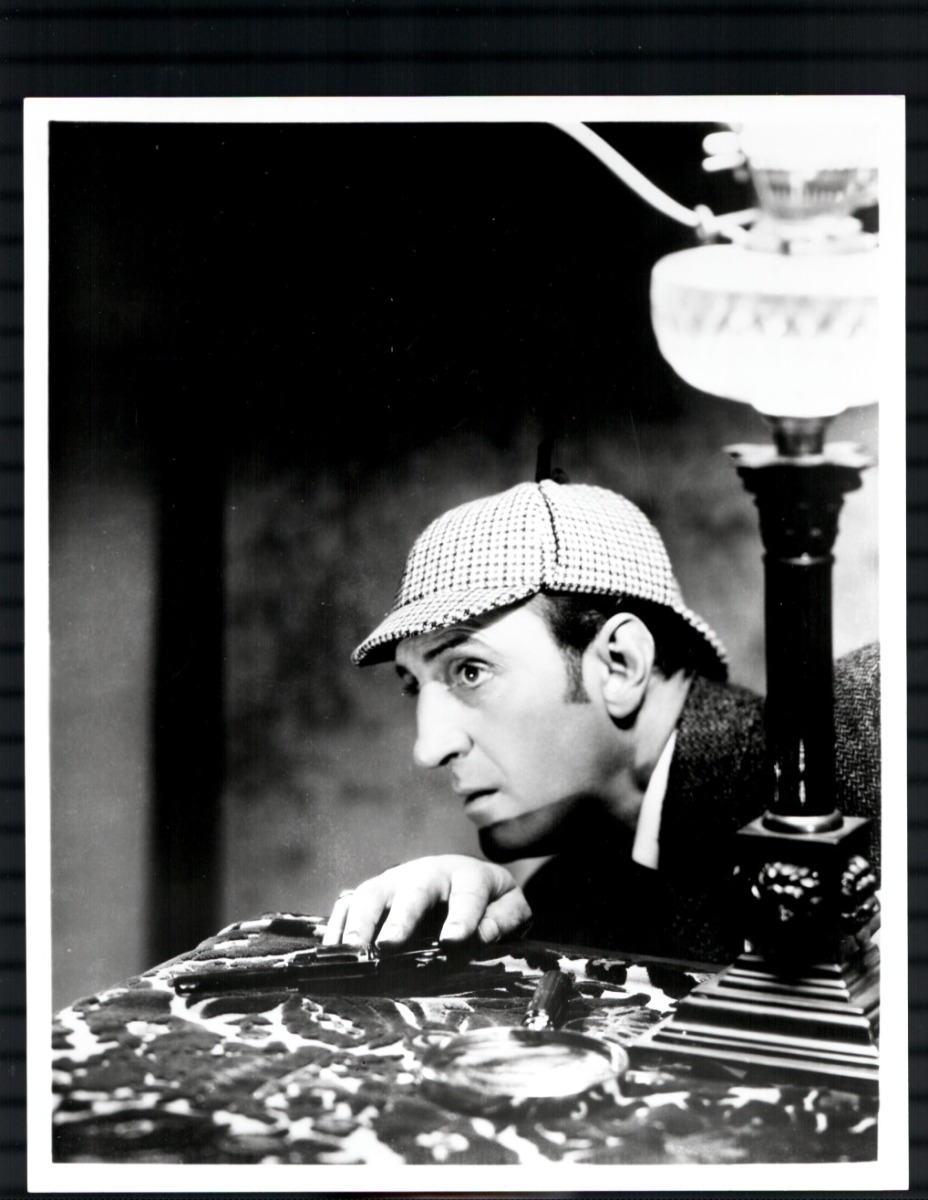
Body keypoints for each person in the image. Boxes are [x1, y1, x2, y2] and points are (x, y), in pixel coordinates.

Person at [323, 479, 880, 965]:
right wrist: (453, 954)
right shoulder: (564, 901)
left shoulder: (867, 731)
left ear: (620, 665)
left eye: (470, 671)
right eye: (414, 685)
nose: (428, 748)